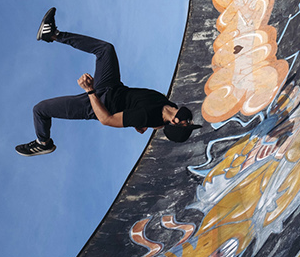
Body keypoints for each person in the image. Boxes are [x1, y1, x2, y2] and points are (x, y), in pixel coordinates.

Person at [15, 9, 201, 155]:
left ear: (175, 122)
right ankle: (52, 34)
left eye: (187, 123)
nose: (189, 119)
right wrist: (140, 124)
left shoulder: (146, 116)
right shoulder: (168, 107)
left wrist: (90, 91)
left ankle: (43, 144)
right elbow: (158, 124)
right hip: (111, 85)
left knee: (40, 109)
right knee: (106, 49)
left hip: (97, 104)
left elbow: (107, 120)